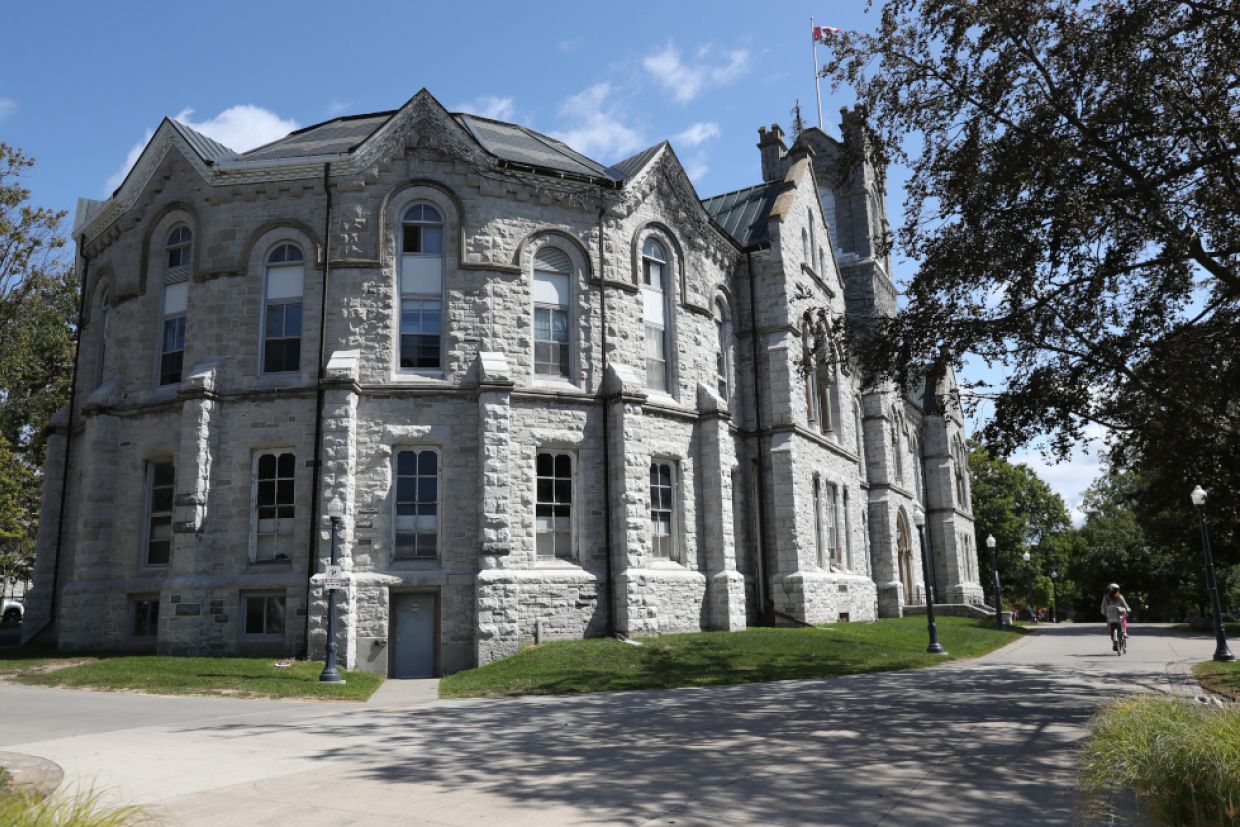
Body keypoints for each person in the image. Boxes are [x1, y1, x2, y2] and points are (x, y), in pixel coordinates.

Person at [1101, 583, 1131, 650]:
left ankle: (1116, 642)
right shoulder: (1119, 596)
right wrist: (1127, 609)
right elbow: (1125, 605)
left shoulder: (1106, 597)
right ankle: (1124, 633)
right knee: (1124, 618)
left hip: (1110, 616)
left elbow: (1103, 607)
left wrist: (1104, 613)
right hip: (1118, 615)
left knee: (1112, 629)